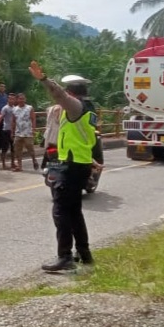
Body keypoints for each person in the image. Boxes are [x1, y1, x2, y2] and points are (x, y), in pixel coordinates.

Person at [28, 63, 98, 272]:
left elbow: (58, 95)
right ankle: (84, 254)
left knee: (60, 211)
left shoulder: (75, 107)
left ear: (71, 93)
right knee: (74, 211)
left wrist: (43, 79)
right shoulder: (89, 109)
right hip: (81, 163)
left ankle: (65, 256)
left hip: (72, 165)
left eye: (67, 93)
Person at [11, 93, 38, 171]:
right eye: (20, 98)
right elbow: (13, 121)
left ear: (25, 99)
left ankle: (34, 159)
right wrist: (12, 131)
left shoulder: (29, 108)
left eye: (23, 98)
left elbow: (33, 118)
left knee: (30, 148)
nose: (21, 100)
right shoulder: (14, 109)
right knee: (17, 149)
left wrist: (33, 129)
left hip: (28, 131)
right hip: (18, 132)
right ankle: (19, 166)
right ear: (17, 100)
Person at [0, 93, 17, 170]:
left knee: (13, 148)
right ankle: (3, 164)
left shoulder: (15, 108)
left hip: (14, 130)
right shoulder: (5, 108)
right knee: (5, 148)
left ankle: (13, 163)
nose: (11, 100)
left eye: (13, 99)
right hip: (6, 129)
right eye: (10, 98)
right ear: (8, 99)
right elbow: (0, 117)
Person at [40, 103, 62, 170]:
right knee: (56, 153)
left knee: (48, 151)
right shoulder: (60, 108)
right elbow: (58, 121)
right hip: (57, 133)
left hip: (48, 133)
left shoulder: (49, 109)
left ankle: (45, 166)